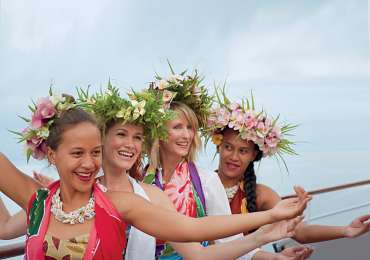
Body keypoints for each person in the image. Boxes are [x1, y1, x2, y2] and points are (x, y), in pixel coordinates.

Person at [0, 88, 309, 259]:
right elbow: (4, 226)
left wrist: (267, 222)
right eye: (77, 153)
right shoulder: (40, 200)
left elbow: (194, 231)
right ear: (53, 155)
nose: (87, 162)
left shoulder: (124, 203)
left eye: (92, 153)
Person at [143, 70, 313, 260]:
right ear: (159, 132)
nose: (187, 135)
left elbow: (231, 242)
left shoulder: (206, 181)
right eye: (178, 127)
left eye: (190, 127)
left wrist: (272, 257)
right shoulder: (141, 179)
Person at [207, 88, 370, 254]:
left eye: (243, 151)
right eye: (228, 147)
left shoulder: (261, 194)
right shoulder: (199, 184)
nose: (234, 156)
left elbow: (299, 231)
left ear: (253, 155)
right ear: (218, 145)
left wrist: (346, 230)